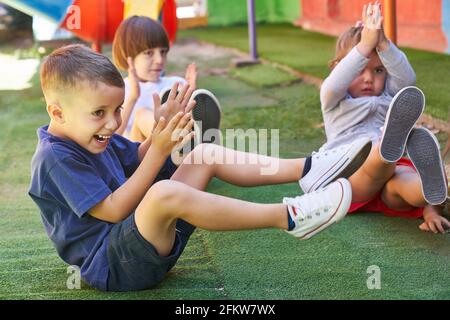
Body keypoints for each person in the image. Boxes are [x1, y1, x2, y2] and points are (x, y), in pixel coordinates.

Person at [28, 44, 371, 291]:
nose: (113, 122)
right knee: (162, 192)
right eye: (99, 113)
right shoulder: (55, 158)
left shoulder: (92, 136)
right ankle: (290, 217)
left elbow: (134, 158)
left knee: (203, 153)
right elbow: (115, 209)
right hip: (115, 266)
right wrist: (158, 151)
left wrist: (158, 132)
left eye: (117, 110)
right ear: (57, 112)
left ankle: (307, 169)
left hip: (143, 242)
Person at [313, 2, 449, 233]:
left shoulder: (389, 97)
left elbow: (407, 81)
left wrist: (384, 44)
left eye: (378, 71)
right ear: (340, 68)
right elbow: (332, 86)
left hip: (388, 181)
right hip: (351, 178)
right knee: (378, 161)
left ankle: (435, 188)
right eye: (360, 69)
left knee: (403, 181)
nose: (369, 78)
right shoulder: (335, 100)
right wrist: (365, 45)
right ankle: (386, 148)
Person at [112, 15, 221, 143]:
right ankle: (181, 140)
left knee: (178, 96)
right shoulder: (121, 91)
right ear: (128, 57)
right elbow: (111, 140)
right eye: (149, 53)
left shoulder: (174, 84)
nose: (159, 60)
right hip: (140, 158)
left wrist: (193, 98)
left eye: (163, 52)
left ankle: (194, 138)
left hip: (173, 157)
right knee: (141, 114)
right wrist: (133, 97)